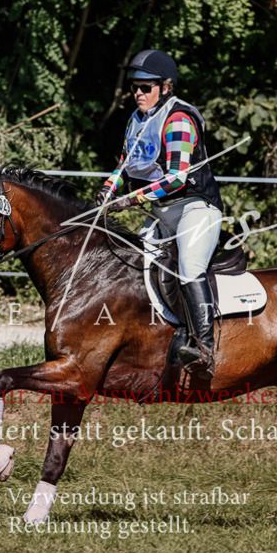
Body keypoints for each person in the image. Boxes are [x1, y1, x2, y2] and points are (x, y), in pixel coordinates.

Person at [95, 49, 226, 378]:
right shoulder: (137, 120)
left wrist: (129, 201)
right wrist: (106, 193)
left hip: (195, 209)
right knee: (130, 266)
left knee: (188, 268)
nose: (138, 92)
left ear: (165, 87)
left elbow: (176, 178)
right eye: (134, 87)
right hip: (160, 212)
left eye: (146, 86)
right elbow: (124, 166)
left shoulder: (178, 119)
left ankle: (204, 348)